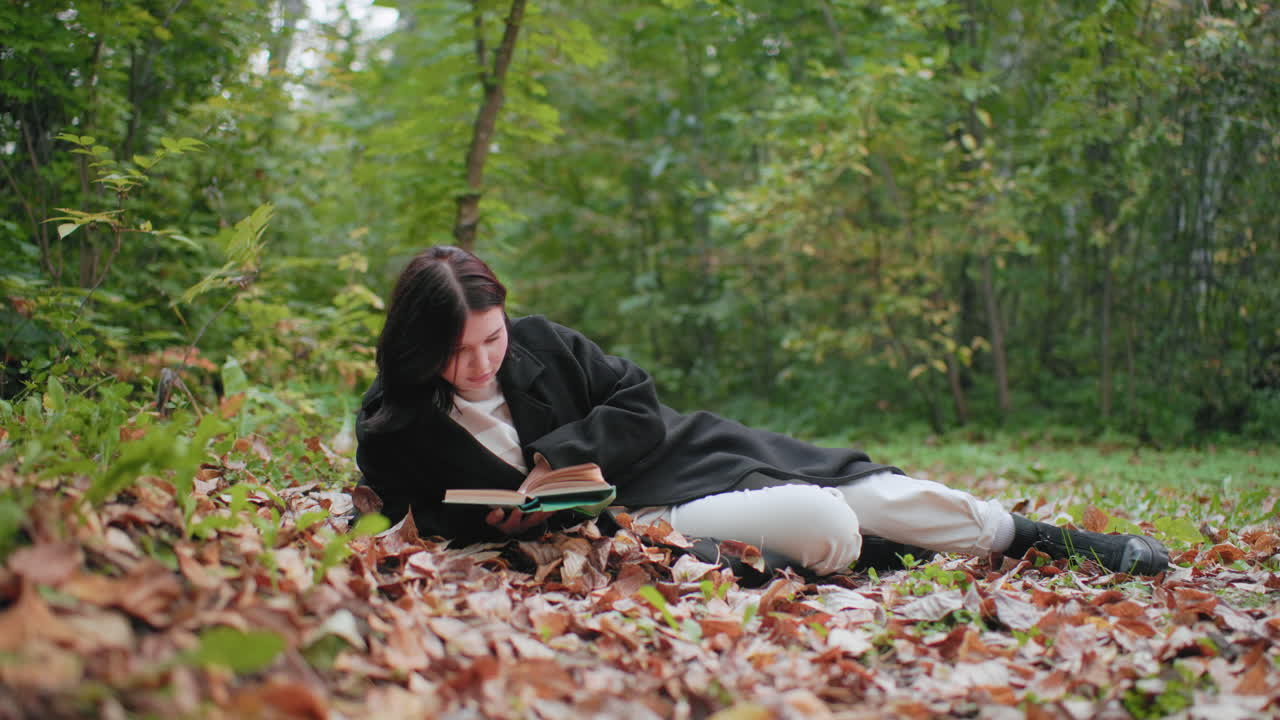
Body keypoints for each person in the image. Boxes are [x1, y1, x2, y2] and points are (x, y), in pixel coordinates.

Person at [355, 246, 1169, 579]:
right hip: (636, 522)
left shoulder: (541, 343)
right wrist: (490, 520)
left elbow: (636, 397)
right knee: (828, 526)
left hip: (680, 459)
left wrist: (556, 459)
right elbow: (409, 513)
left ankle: (1058, 541)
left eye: (489, 340)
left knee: (869, 493)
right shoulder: (394, 422)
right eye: (456, 354)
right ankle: (886, 557)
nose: (479, 364)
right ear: (419, 348)